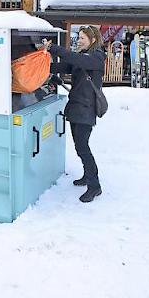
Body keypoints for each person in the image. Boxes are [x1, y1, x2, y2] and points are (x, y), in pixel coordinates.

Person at [45, 26, 106, 203]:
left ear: (92, 40)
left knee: (83, 148)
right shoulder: (83, 58)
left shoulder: (96, 58)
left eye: (82, 38)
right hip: (76, 107)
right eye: (78, 37)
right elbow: (63, 65)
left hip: (86, 109)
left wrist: (54, 48)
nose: (78, 41)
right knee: (80, 147)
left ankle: (95, 187)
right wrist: (40, 64)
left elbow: (74, 58)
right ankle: (88, 177)